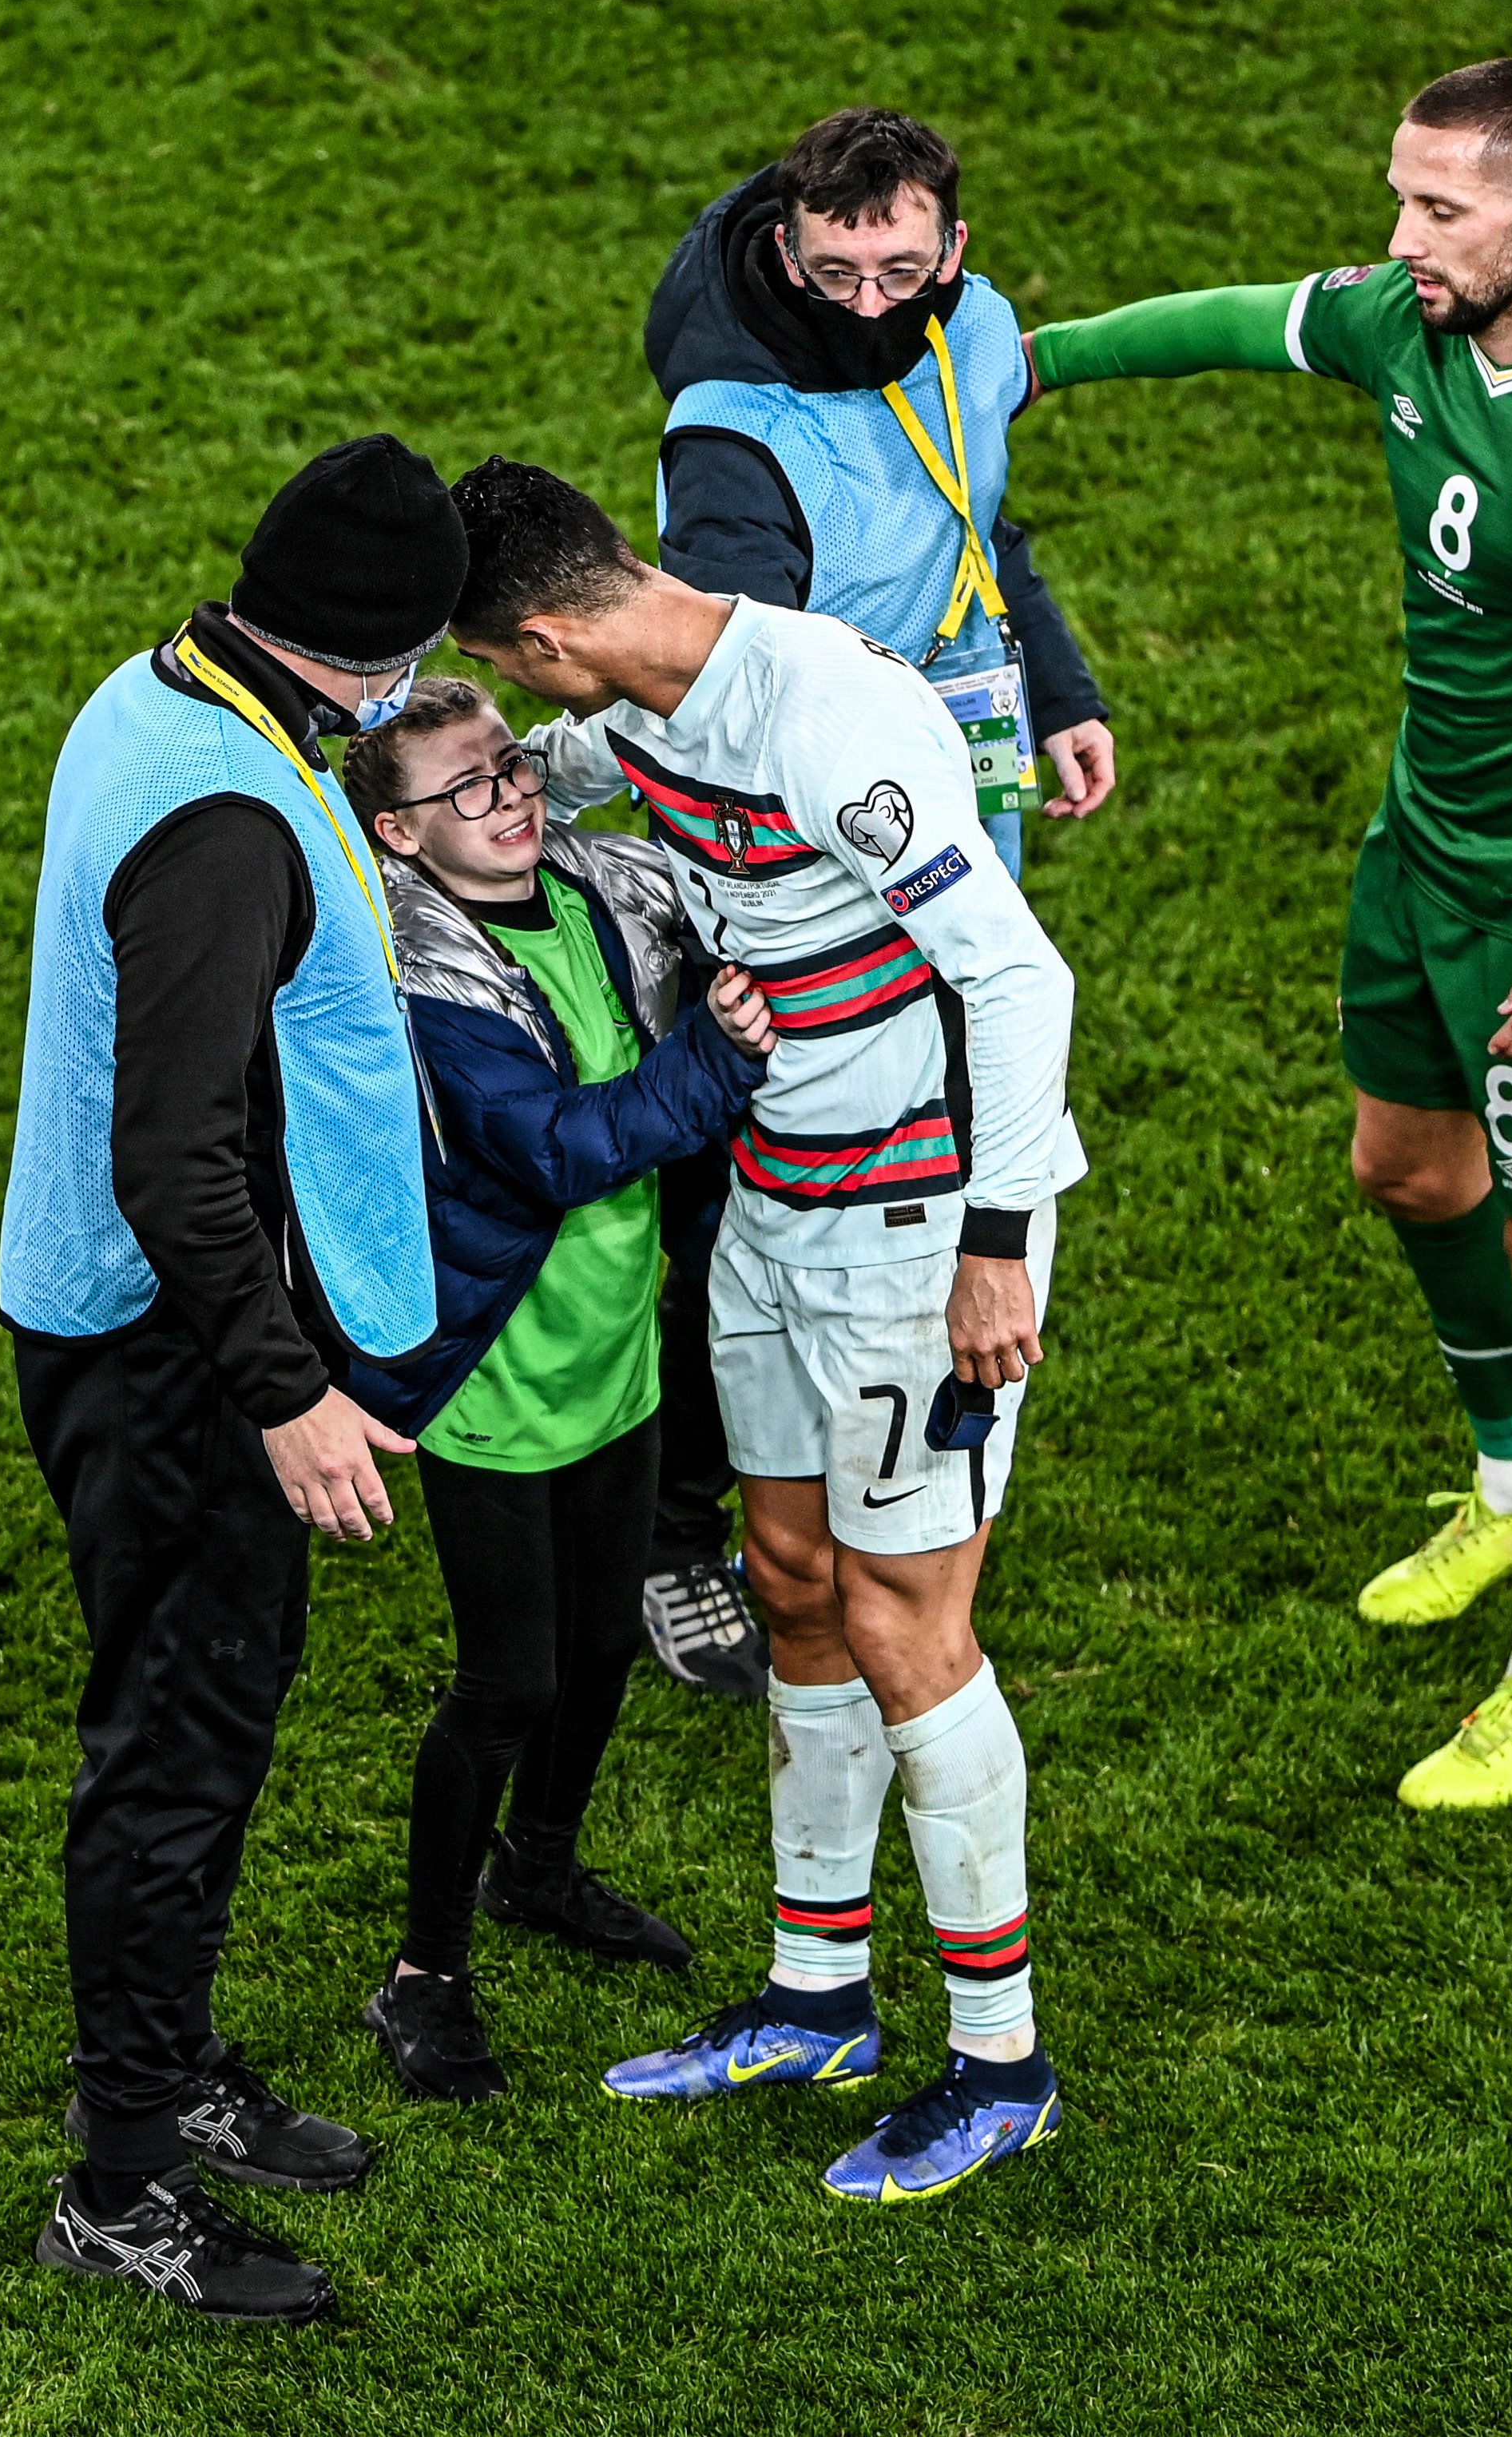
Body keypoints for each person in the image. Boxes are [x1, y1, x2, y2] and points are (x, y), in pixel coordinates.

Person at [1024, 59, 1512, 1808]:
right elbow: (1235, 321)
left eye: (1438, 210)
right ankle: (1508, 1488)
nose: (1399, 241)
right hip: (1417, 860)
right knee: (1402, 1171)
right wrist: (1024, 366)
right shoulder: (1412, 326)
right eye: (1399, 198)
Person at [446, 454, 1085, 2204]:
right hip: (776, 1206)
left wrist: (997, 1246)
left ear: (556, 632)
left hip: (914, 1233)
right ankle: (818, 1991)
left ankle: (1000, 2057)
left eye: (511, 671)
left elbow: (1021, 976)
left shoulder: (824, 719)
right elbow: (541, 780)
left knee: (906, 1624)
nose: (524, 708)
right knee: (791, 1578)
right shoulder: (642, 709)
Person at [0, 435, 469, 2322]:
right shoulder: (232, 829)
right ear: (392, 654)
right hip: (171, 1360)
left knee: (212, 1708)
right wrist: (282, 1388)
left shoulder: (172, 682)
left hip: (144, 1329)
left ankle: (174, 2065)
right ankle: (117, 2180)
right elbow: (173, 1159)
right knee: (175, 1755)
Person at [638, 105, 1117, 1693]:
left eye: (898, 270)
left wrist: (1049, 677)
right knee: (750, 1175)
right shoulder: (726, 438)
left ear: (952, 253)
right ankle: (675, 1516)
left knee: (939, 1088)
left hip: (933, 789)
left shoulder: (963, 326)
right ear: (783, 238)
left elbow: (974, 503)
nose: (867, 304)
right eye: (835, 270)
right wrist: (806, 887)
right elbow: (736, 689)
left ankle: (894, 1450)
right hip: (802, 850)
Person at [339, 678, 773, 2101]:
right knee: (508, 1676)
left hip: (616, 1357)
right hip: (492, 1382)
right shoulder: (425, 979)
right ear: (400, 836)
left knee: (598, 1649)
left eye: (512, 765)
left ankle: (538, 1869)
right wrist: (716, 1054)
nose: (511, 795)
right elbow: (564, 1149)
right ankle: (422, 1973)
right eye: (466, 789)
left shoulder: (589, 881)